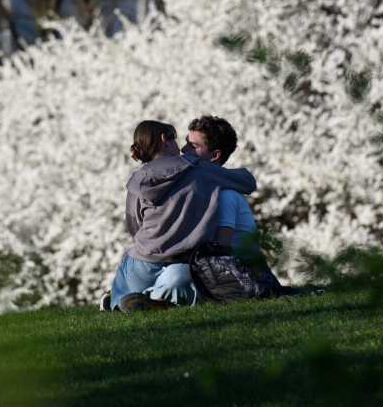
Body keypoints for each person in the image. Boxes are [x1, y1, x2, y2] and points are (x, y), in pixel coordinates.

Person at [104, 120, 257, 311]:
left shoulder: (138, 178)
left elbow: (134, 223)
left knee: (121, 299)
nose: (184, 148)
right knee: (181, 285)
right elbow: (247, 182)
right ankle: (151, 300)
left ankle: (115, 302)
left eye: (191, 145)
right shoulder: (199, 170)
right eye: (181, 141)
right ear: (164, 140)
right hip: (180, 259)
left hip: (141, 260)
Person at [181, 115, 290, 301]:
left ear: (214, 155)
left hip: (239, 273)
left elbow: (223, 246)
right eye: (186, 143)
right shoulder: (209, 189)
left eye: (194, 146)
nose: (183, 150)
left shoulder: (224, 195)